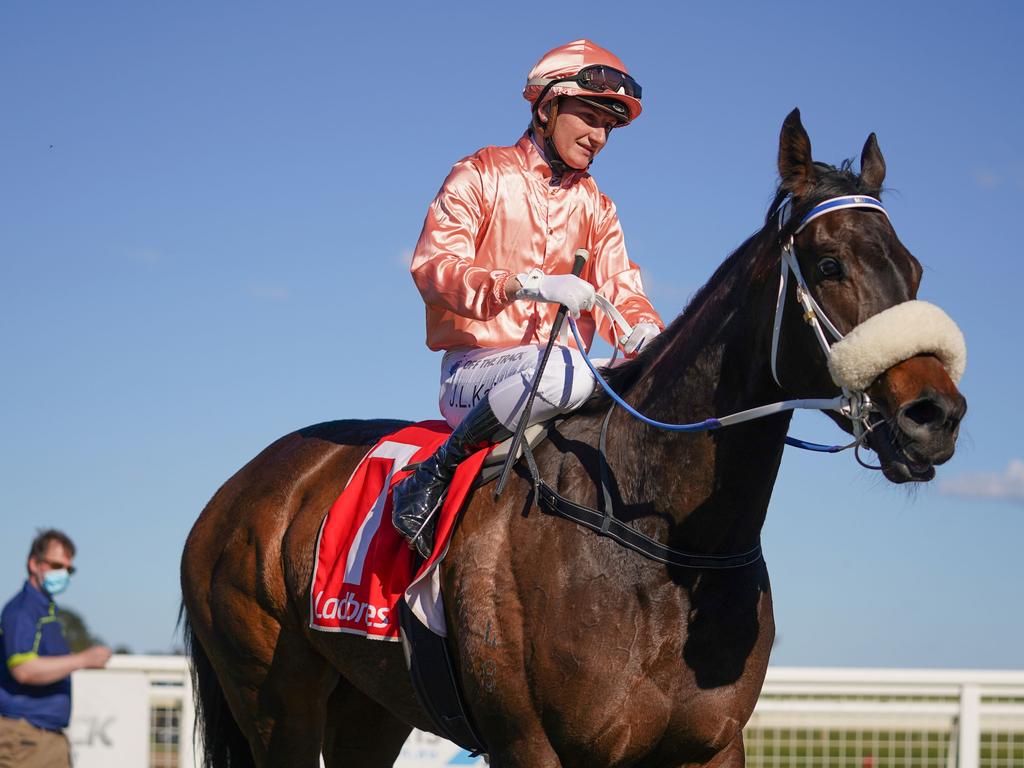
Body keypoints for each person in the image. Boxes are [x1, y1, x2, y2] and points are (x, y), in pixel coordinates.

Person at [392, 39, 663, 556]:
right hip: (473, 372)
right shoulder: (480, 174)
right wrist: (525, 284)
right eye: (588, 117)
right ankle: (433, 473)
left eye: (609, 125)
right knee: (570, 371)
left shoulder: (599, 208)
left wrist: (647, 334)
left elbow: (622, 290)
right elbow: (432, 268)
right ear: (547, 106)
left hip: (562, 371)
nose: (599, 136)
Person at [0, 530, 111, 768]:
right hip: (24, 739)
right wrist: (81, 660)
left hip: (46, 737)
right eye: (57, 565)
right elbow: (23, 669)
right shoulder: (22, 611)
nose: (64, 574)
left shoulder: (46, 611)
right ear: (34, 563)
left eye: (69, 569)